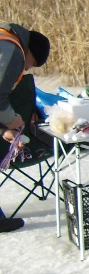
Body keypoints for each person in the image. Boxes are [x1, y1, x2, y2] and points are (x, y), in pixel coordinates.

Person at [0, 23, 49, 233]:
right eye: (31, 64)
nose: (26, 69)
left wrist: (3, 131)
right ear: (29, 52)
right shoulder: (13, 51)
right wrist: (13, 121)